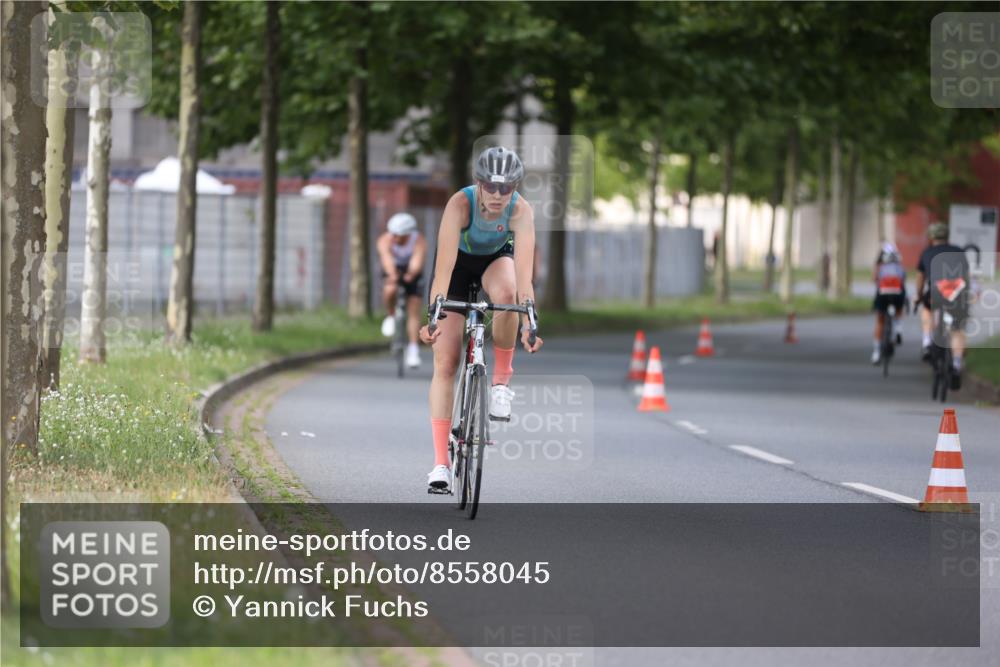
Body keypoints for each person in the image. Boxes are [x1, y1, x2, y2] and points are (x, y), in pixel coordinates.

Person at [418, 146, 543, 491]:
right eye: (492, 186)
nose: (499, 195)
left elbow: (525, 277)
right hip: (456, 266)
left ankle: (501, 383)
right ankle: (440, 465)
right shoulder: (460, 204)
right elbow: (442, 266)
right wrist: (435, 314)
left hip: (494, 261)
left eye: (508, 187)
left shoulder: (520, 210)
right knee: (447, 362)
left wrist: (530, 321)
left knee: (506, 295)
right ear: (479, 183)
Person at [915, 222, 970, 386]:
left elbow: (920, 278)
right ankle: (957, 364)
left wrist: (918, 296)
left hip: (937, 291)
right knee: (957, 330)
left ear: (931, 237)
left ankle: (926, 342)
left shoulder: (927, 252)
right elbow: (966, 276)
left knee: (926, 309)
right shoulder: (959, 251)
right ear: (947, 237)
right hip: (957, 292)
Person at [377, 212, 427, 369]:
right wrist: (393, 275)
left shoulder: (418, 241)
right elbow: (386, 259)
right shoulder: (385, 240)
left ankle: (413, 349)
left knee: (414, 307)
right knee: (390, 289)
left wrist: (410, 275)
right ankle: (391, 315)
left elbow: (417, 262)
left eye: (397, 235)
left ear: (407, 235)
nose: (393, 237)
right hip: (393, 268)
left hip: (412, 271)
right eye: (392, 233)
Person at [870, 242, 906, 365]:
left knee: (880, 321)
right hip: (897, 295)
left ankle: (876, 352)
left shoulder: (880, 266)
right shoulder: (899, 266)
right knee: (900, 308)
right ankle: (898, 329)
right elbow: (903, 280)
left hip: (883, 295)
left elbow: (874, 279)